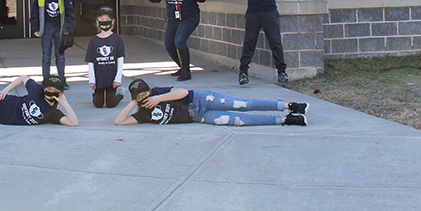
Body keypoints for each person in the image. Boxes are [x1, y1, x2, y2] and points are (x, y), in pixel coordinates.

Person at [132, 0, 215, 81]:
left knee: (180, 41)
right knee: (169, 46)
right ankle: (182, 66)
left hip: (189, 18)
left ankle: (186, 72)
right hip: (173, 19)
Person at [114, 78, 308, 126]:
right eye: (139, 97)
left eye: (144, 93)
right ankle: (284, 120)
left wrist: (158, 97)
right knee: (239, 121)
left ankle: (289, 106)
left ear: (149, 90)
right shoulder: (143, 113)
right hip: (199, 116)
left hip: (199, 98)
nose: (144, 98)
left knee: (241, 104)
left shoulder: (158, 93)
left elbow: (182, 91)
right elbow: (119, 121)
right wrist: (132, 103)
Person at [30, 0, 76, 87]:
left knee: (60, 54)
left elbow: (71, 13)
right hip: (46, 27)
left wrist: (68, 29)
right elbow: (34, 12)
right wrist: (35, 28)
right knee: (46, 55)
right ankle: (46, 80)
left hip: (60, 27)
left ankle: (61, 80)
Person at [86, 5, 125, 108]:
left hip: (111, 79)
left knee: (110, 104)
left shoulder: (117, 39)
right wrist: (92, 80)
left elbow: (120, 59)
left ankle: (120, 94)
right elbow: (90, 62)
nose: (105, 21)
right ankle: (95, 93)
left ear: (112, 21)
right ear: (97, 22)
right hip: (99, 78)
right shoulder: (94, 40)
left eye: (107, 19)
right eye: (102, 19)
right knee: (98, 104)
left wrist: (118, 79)